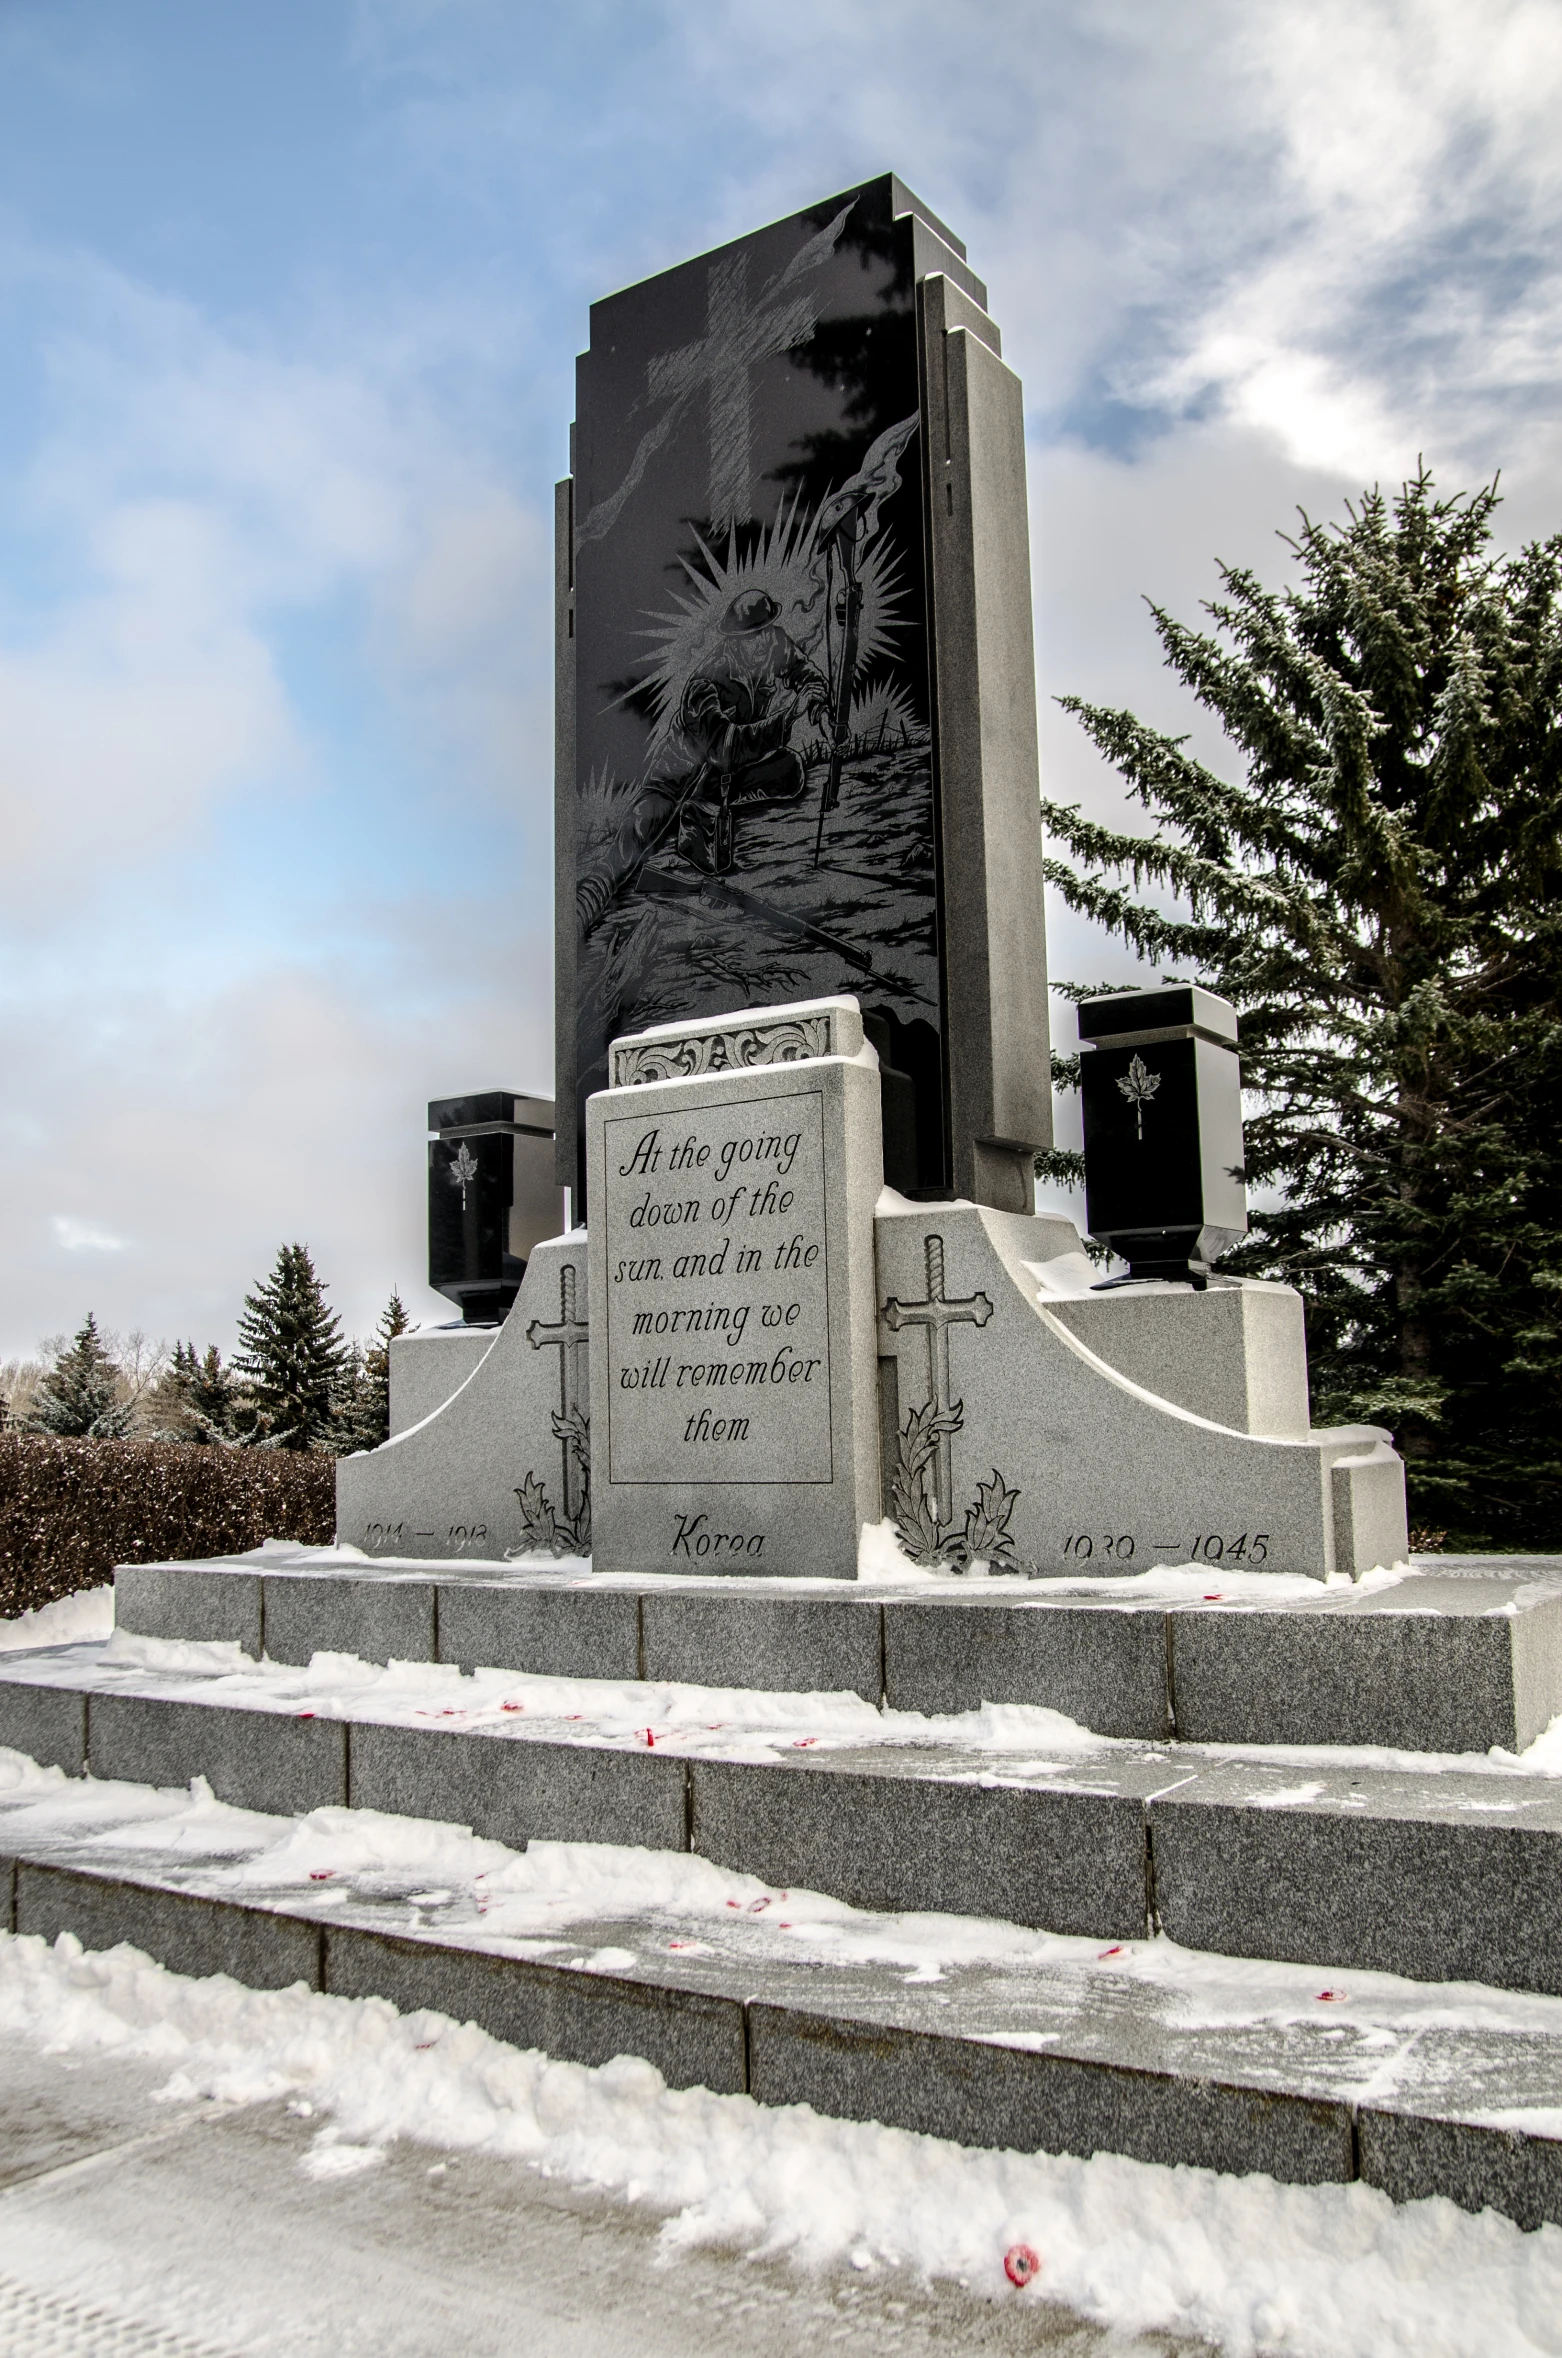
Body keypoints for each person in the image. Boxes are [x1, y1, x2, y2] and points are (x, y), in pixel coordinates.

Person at [577, 588, 831, 929]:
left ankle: (703, 805)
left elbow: (804, 673)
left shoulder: (774, 644)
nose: (762, 642)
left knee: (791, 773)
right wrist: (787, 719)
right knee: (642, 824)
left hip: (728, 770)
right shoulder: (705, 683)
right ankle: (594, 890)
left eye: (766, 631)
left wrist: (817, 703)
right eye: (752, 636)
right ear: (735, 641)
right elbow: (726, 746)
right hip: (682, 771)